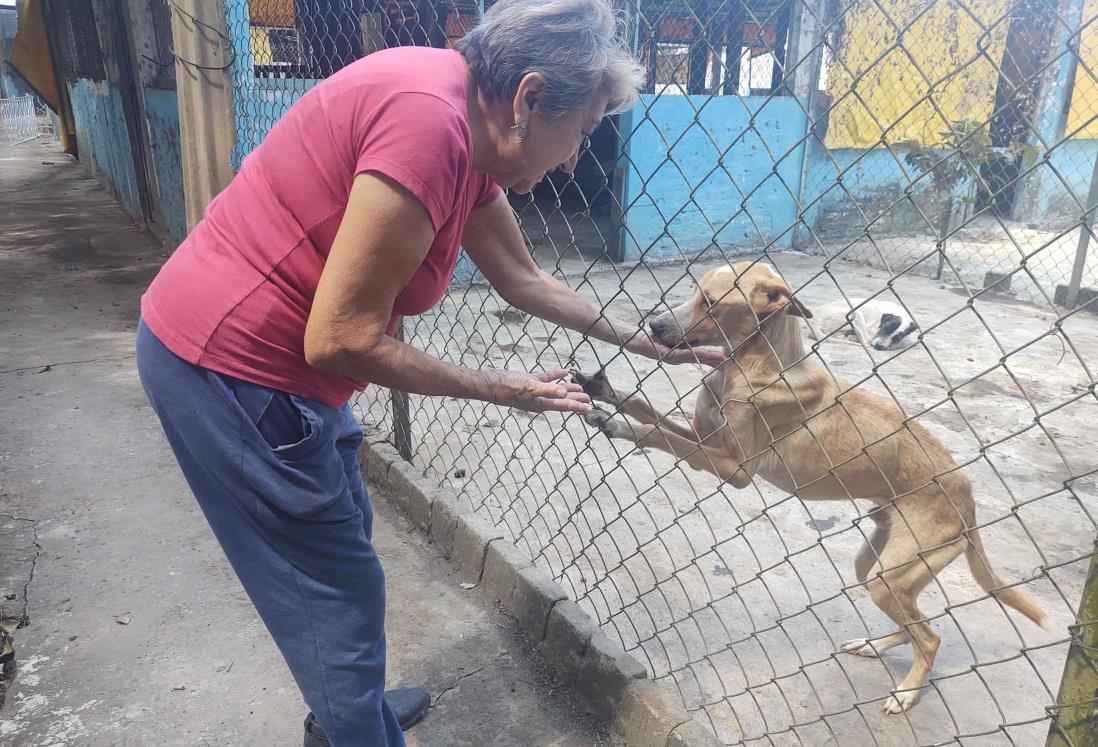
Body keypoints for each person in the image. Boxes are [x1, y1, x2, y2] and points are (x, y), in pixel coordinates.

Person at [136, 1, 722, 744]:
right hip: (230, 367)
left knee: (347, 536)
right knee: (334, 591)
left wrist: (643, 342)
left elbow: (522, 278)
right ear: (530, 99)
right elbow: (340, 339)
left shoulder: (466, 122)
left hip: (265, 360)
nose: (578, 156)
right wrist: (496, 386)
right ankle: (353, 723)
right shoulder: (428, 129)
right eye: (582, 131)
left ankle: (352, 705)